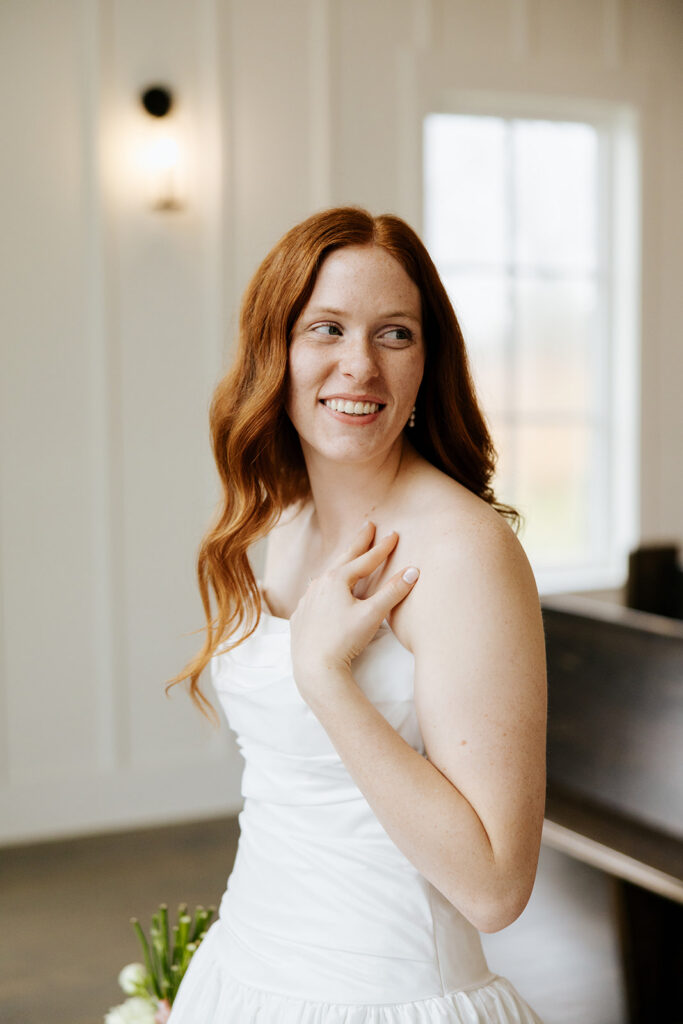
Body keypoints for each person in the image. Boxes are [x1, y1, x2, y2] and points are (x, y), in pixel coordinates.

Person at [166, 207, 547, 1023]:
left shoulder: (463, 553)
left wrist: (325, 680)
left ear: (426, 363)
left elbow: (494, 888)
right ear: (275, 350)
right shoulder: (283, 515)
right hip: (242, 973)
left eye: (394, 334)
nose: (359, 366)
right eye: (327, 328)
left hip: (385, 998)